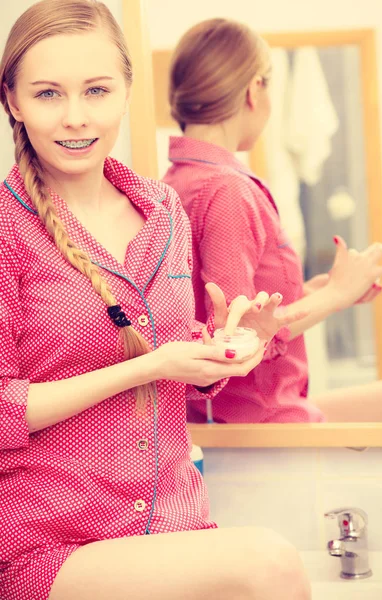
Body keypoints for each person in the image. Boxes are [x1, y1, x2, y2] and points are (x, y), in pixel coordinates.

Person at [0, 2, 312, 599]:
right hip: (50, 548)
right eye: (47, 94)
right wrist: (148, 365)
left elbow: (176, 367)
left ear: (126, 92)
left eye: (96, 90)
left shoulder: (162, 211)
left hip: (174, 521)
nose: (75, 117)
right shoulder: (8, 230)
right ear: (13, 101)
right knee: (270, 565)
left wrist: (225, 345)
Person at [163, 18, 382, 425]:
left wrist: (313, 290)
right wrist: (339, 293)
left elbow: (244, 309)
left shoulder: (176, 182)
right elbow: (237, 338)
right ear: (255, 90)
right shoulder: (227, 191)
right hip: (257, 423)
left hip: (236, 417)